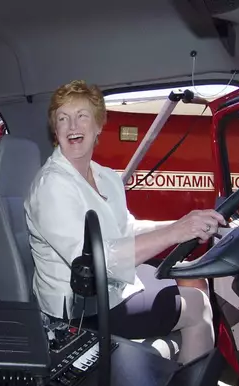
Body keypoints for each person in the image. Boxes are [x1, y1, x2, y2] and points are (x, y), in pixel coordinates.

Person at [24, 80, 226, 364]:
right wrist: (175, 232)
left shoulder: (104, 176)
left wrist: (180, 225)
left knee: (194, 277)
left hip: (114, 288)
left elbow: (126, 229)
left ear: (98, 125)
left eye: (82, 116)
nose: (72, 126)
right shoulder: (51, 186)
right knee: (196, 305)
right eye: (63, 118)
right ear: (55, 131)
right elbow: (93, 262)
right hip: (81, 310)